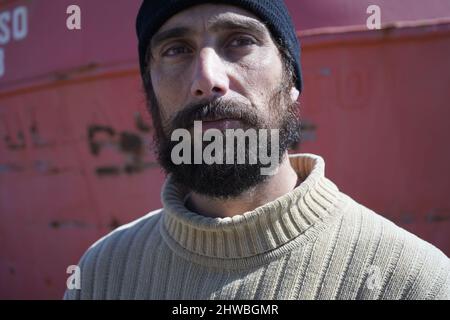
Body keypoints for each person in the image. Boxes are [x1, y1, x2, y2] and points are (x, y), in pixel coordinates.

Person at [64, 0, 450, 300]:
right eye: (176, 50)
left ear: (291, 78)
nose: (208, 79)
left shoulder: (413, 281)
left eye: (240, 41)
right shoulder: (102, 274)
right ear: (150, 93)